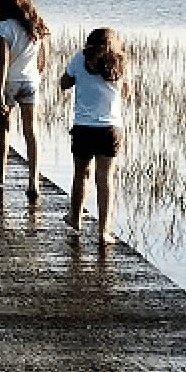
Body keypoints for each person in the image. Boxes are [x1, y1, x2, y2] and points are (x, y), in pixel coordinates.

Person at [59, 27, 131, 244]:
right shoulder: (122, 61)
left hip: (83, 127)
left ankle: (75, 218)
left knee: (81, 174)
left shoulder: (80, 58)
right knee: (105, 178)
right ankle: (103, 232)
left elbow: (64, 83)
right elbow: (127, 94)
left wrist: (77, 78)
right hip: (110, 128)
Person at [0, 0, 49, 202]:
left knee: (4, 129)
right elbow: (43, 62)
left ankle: (1, 173)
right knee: (32, 132)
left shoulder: (4, 28)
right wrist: (35, 75)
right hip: (31, 82)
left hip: (11, 82)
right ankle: (34, 182)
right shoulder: (36, 25)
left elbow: (3, 62)